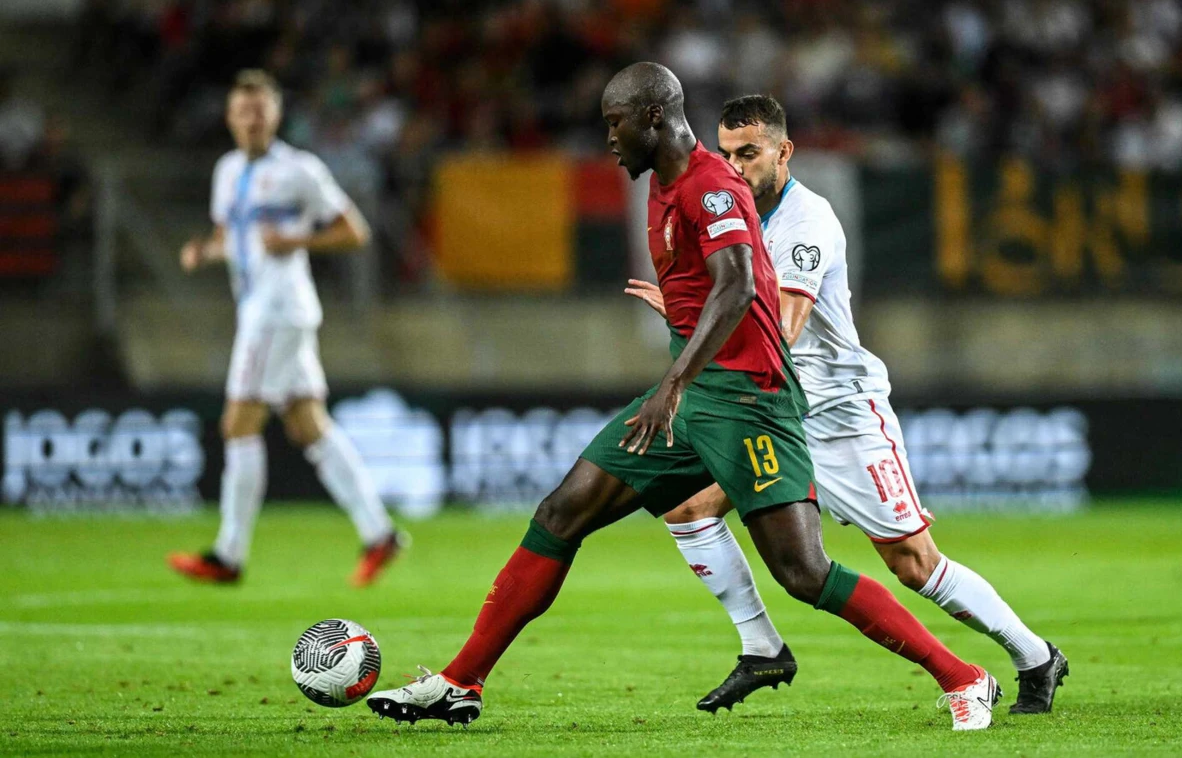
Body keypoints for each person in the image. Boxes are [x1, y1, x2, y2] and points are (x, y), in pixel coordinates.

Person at [366, 63, 999, 731]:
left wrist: (671, 384)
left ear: (653, 118)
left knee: (803, 572)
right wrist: (679, 374)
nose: (608, 139)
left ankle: (965, 677)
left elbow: (739, 285)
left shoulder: (710, 185)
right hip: (696, 399)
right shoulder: (662, 185)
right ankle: (462, 680)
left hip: (751, 401)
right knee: (561, 510)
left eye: (614, 123)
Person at [626, 94, 1068, 716]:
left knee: (914, 565)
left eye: (749, 153)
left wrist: (690, 315)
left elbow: (784, 325)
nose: (735, 165)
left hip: (838, 412)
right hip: (772, 408)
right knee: (687, 509)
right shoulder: (726, 214)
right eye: (725, 154)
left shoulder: (807, 222)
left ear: (785, 152)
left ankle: (1036, 657)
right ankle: (760, 646)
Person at [167, 69, 405, 587]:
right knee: (306, 423)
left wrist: (297, 242)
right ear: (230, 117)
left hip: (278, 310)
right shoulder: (227, 171)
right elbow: (232, 237)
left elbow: (354, 231)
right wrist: (203, 250)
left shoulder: (300, 170)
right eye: (242, 110)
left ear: (276, 116)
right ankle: (380, 532)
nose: (252, 119)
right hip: (262, 310)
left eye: (261, 110)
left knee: (238, 423)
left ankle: (228, 555)